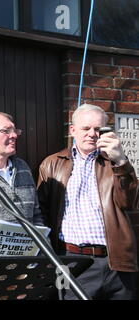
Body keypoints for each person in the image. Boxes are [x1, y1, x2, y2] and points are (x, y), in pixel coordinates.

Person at [37, 103, 138, 300]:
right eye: (86, 128)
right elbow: (41, 212)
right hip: (72, 261)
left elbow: (130, 203)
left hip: (116, 262)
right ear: (73, 130)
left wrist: (121, 162)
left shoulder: (114, 162)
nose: (92, 134)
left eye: (98, 129)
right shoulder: (52, 163)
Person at [0, 112, 44, 225]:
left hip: (28, 243)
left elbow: (36, 214)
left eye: (14, 131)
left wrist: (43, 240)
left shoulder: (23, 168)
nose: (14, 135)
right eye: (6, 131)